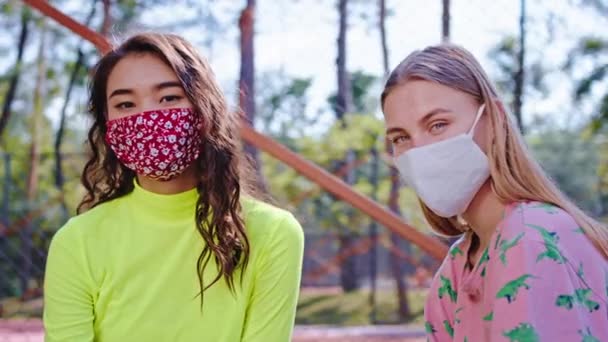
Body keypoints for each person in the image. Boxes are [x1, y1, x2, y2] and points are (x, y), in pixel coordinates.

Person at [43, 32, 304, 342]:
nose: (148, 117)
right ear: (107, 124)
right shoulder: (77, 242)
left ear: (205, 109)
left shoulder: (272, 233)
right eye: (126, 104)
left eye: (169, 98)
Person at [381, 44, 608, 341]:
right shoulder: (456, 270)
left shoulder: (532, 236)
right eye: (401, 138)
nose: (419, 149)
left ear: (494, 119)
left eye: (438, 125)